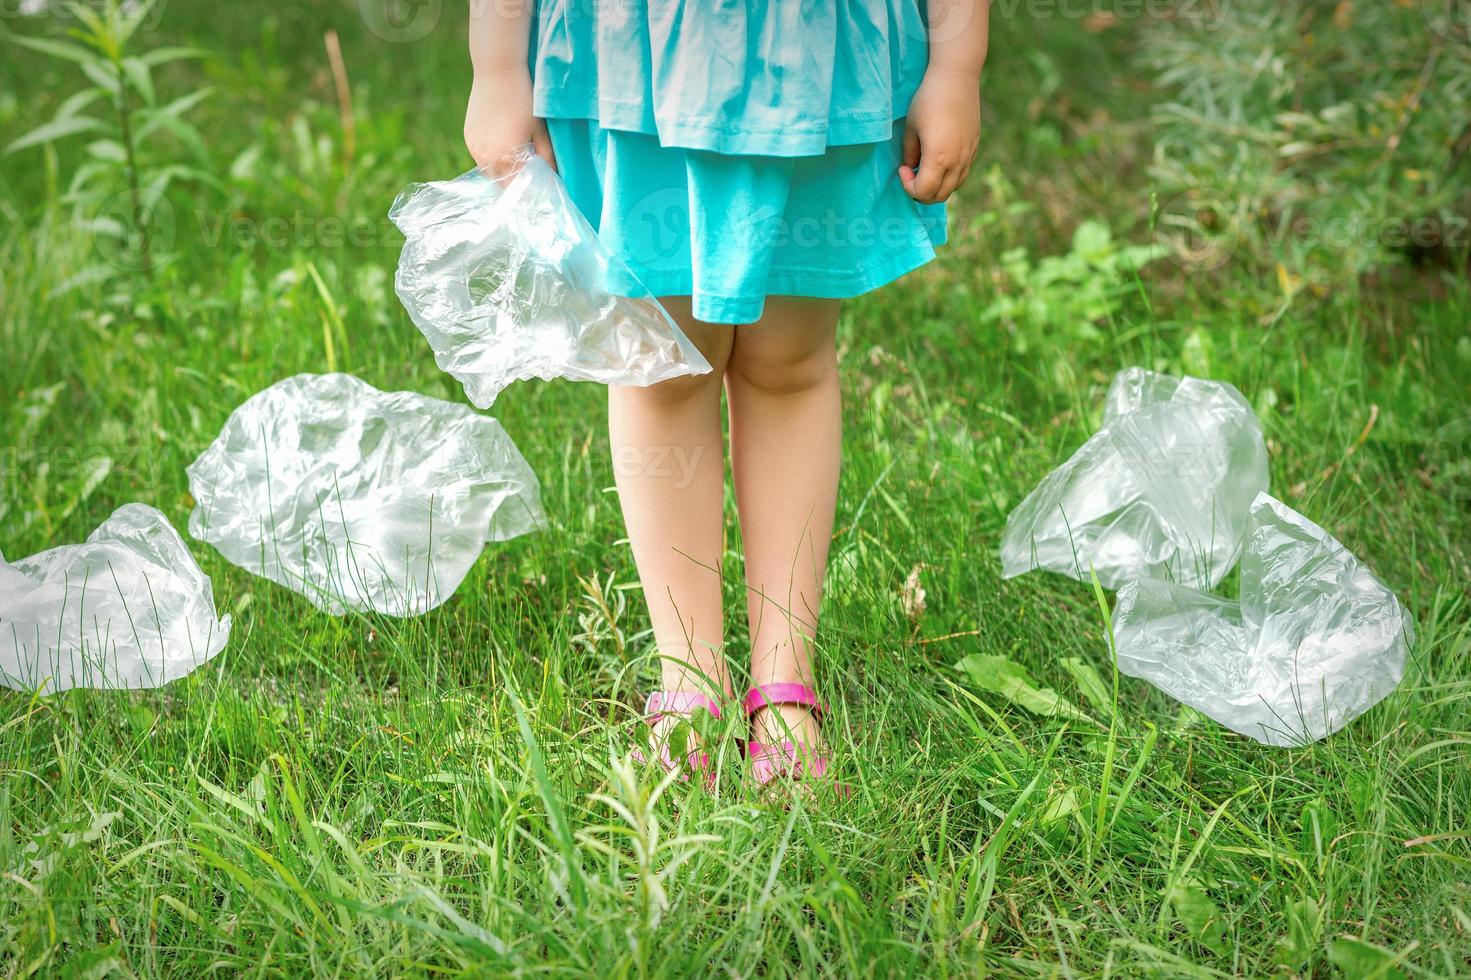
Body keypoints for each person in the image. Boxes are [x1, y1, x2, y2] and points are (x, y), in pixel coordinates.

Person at [465, 1, 989, 787]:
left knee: (789, 362)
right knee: (664, 367)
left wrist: (956, 66)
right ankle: (689, 686)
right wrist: (496, 66)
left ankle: (783, 685)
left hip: (817, 63)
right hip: (637, 67)